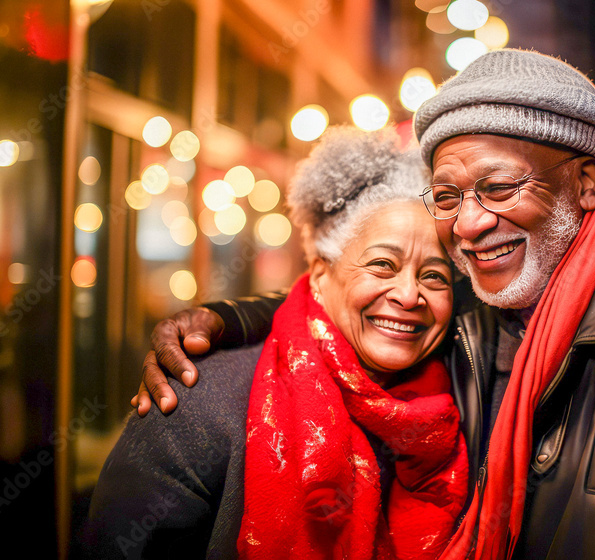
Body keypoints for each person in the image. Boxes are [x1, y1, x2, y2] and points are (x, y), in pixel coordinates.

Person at [135, 49, 595, 559]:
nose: (469, 222)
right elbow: (365, 295)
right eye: (447, 195)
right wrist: (230, 322)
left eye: (499, 187)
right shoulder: (473, 307)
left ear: (584, 183)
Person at [85, 127, 470, 559]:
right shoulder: (198, 401)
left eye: (434, 275)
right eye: (382, 264)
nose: (408, 294)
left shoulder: (466, 402)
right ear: (321, 275)